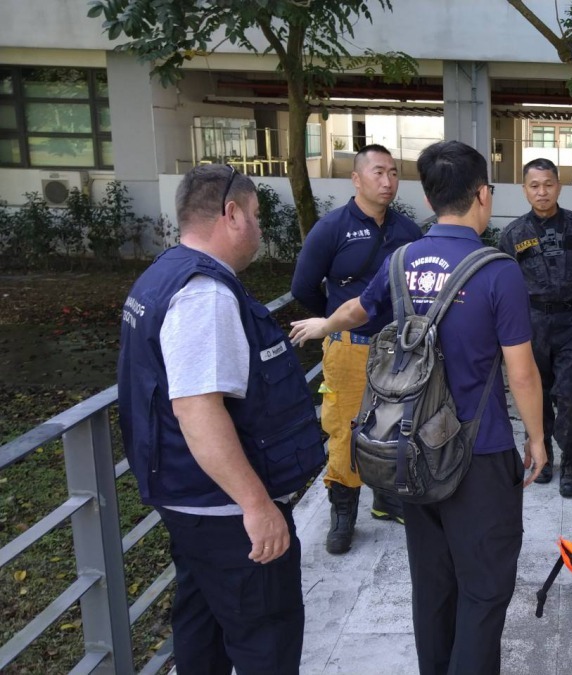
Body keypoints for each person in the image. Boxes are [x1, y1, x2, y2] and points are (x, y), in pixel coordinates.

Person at [289, 140, 546, 674]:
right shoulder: (497, 271)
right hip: (480, 452)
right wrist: (539, 439)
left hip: (411, 449)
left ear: (430, 197)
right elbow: (521, 371)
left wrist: (324, 324)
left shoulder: (401, 259)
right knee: (485, 587)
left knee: (432, 585)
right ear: (482, 195)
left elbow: (360, 309)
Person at [117, 164, 326, 673]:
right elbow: (197, 410)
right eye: (255, 215)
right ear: (231, 214)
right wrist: (256, 507)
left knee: (201, 632)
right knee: (265, 644)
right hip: (229, 516)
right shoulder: (204, 294)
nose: (259, 228)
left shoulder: (164, 273)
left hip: (192, 507)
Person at [291, 143, 423, 554]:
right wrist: (334, 323)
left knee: (395, 425)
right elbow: (303, 287)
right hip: (349, 347)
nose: (388, 182)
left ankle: (386, 498)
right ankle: (343, 509)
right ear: (357, 178)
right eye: (378, 172)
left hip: (397, 350)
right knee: (345, 427)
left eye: (394, 173)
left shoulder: (406, 230)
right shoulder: (331, 228)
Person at [498, 158, 572, 498]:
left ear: (559, 186)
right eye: (534, 185)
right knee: (534, 393)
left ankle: (571, 461)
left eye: (548, 184)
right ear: (525, 189)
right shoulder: (512, 235)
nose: (542, 192)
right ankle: (545, 456)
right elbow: (503, 286)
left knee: (571, 395)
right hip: (531, 324)